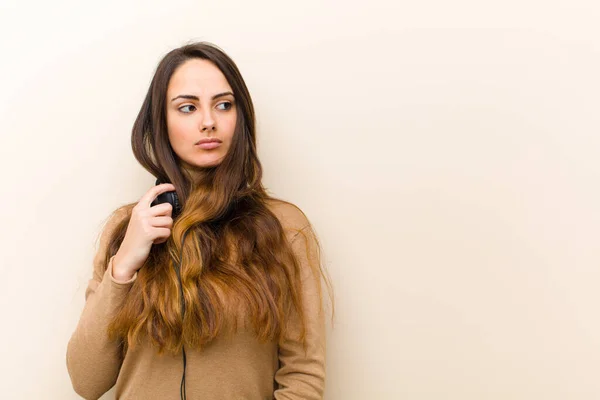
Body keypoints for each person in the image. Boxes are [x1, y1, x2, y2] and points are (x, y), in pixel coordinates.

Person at [66, 41, 333, 400]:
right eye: (188, 108)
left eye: (223, 105)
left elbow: (302, 376)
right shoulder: (128, 228)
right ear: (161, 121)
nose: (209, 122)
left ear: (241, 118)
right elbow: (87, 381)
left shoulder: (284, 227)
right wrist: (124, 266)